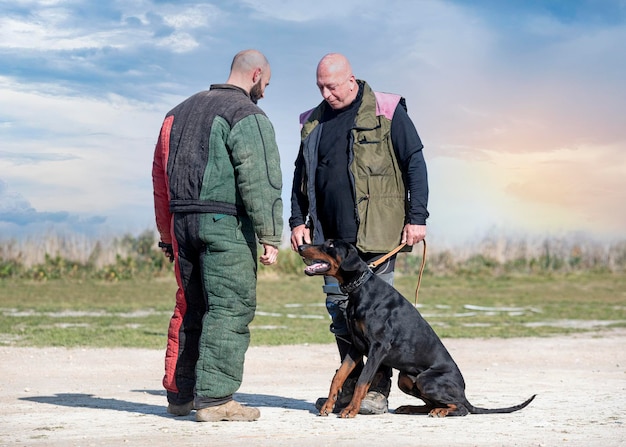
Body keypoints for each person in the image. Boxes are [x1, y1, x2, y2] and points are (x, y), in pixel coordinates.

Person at [289, 53, 429, 415]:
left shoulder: (387, 110)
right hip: (331, 241)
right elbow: (300, 177)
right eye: (320, 86)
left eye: (332, 86)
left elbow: (414, 161)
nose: (326, 93)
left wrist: (417, 217)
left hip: (376, 235)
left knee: (377, 319)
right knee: (341, 314)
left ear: (351, 80)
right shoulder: (313, 121)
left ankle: (376, 392)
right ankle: (351, 387)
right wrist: (296, 220)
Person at [152, 49, 283, 422]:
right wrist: (269, 234)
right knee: (230, 306)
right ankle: (216, 400)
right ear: (256, 73)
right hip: (223, 224)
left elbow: (160, 179)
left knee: (190, 306)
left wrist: (167, 235)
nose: (265, 92)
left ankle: (180, 397)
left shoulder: (175, 113)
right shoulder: (247, 115)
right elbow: (260, 178)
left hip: (181, 224)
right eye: (266, 84)